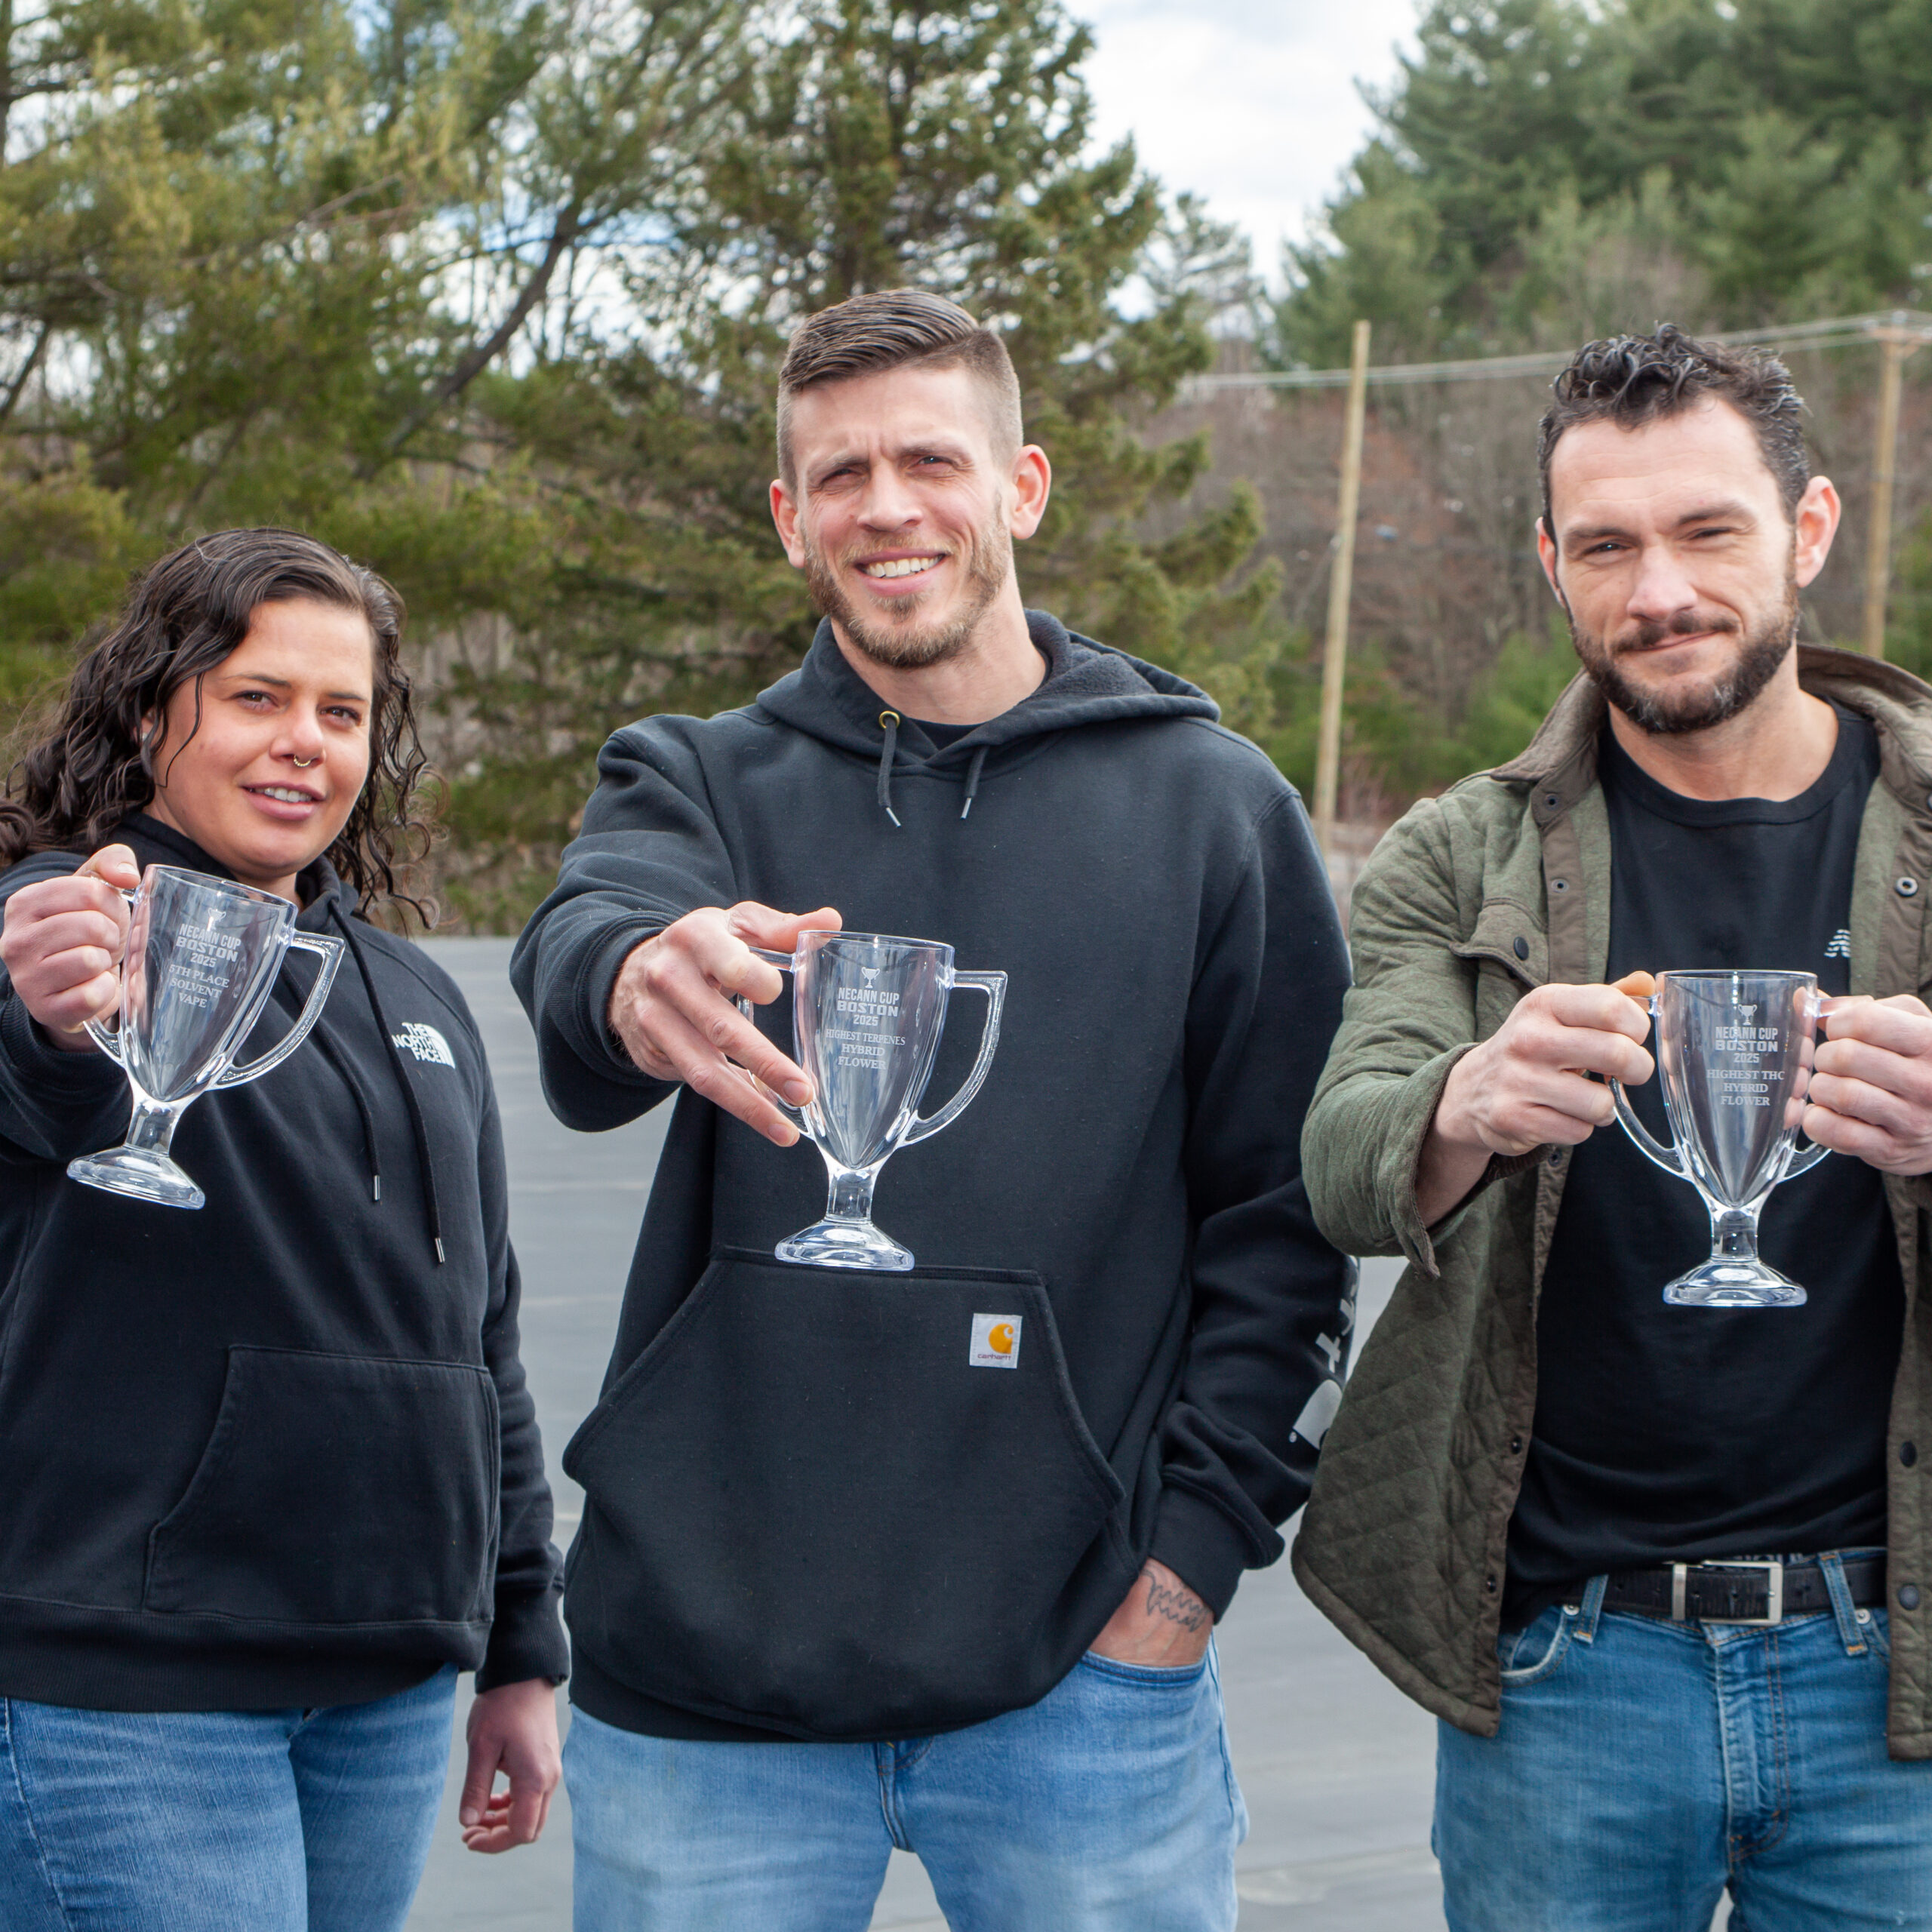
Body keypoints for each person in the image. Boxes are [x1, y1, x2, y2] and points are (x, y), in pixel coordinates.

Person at [510, 287, 1352, 1931]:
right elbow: (589, 935)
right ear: (787, 517)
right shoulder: (694, 777)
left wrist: (1178, 1575)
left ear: (1020, 485)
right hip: (701, 1690)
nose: (884, 508)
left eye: (927, 461)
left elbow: (1286, 1227)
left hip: (1079, 1685)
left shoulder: (1211, 806)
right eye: (837, 475)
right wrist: (631, 971)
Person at [1295, 325, 1932, 1928]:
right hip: (1567, 1671)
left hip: (1898, 1672)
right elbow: (1342, 1151)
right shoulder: (1462, 852)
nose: (1658, 589)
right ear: (1548, 563)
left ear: (1806, 528)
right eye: (1606, 545)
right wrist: (1466, 1101)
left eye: (1705, 529)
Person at [0, 529, 568, 1931]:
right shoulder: (71, 920)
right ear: (153, 709)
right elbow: (44, 1072)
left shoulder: (419, 998)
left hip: (384, 1685)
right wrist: (49, 1020)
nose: (301, 743)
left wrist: (517, 1649)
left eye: (341, 710)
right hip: (128, 1695)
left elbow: (477, 1344)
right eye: (256, 696)